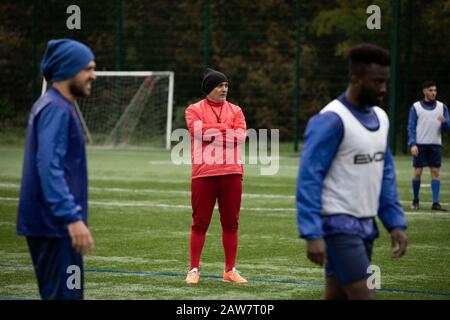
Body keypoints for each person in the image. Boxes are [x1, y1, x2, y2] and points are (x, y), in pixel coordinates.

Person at [296, 43, 408, 300]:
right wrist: (312, 233)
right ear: (356, 78)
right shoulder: (330, 121)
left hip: (366, 225)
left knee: (336, 296)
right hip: (338, 226)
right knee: (363, 296)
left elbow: (385, 175)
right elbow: (309, 178)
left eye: (385, 82)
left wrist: (394, 222)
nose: (382, 89)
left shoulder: (382, 118)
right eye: (376, 82)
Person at [16, 39, 96, 299]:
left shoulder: (55, 105)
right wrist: (71, 218)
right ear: (68, 70)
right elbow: (48, 168)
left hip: (53, 224)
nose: (93, 75)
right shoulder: (56, 109)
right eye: (88, 69)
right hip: (55, 226)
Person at [184, 68, 247, 284]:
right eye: (220, 85)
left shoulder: (236, 110)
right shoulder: (193, 110)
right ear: (210, 88)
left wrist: (213, 132)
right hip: (204, 174)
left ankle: (230, 270)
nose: (224, 89)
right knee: (199, 223)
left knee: (231, 224)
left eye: (226, 85)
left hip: (232, 173)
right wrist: (225, 130)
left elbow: (240, 137)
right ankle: (193, 269)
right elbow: (198, 132)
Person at [407, 81, 450, 211]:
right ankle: (415, 200)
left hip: (435, 145)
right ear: (424, 91)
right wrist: (412, 143)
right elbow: (411, 126)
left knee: (435, 172)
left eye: (435, 90)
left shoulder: (442, 107)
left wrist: (444, 123)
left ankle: (435, 203)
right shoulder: (416, 107)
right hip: (420, 145)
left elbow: (448, 128)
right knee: (417, 173)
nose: (433, 93)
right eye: (430, 90)